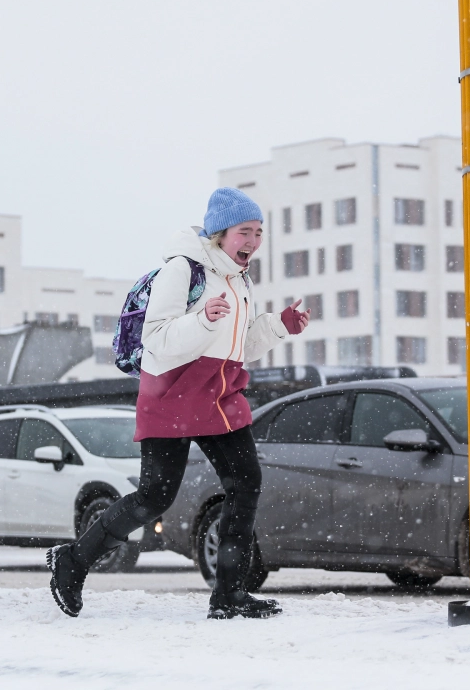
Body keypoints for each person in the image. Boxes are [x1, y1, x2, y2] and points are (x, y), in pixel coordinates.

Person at [48, 188, 309, 619]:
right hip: (173, 393)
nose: (253, 241)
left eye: (259, 232)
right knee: (155, 497)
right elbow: (159, 342)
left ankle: (230, 594)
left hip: (221, 394)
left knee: (245, 483)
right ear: (221, 232)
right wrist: (202, 320)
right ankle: (72, 562)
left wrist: (278, 327)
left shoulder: (239, 280)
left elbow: (238, 346)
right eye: (246, 231)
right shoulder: (182, 270)